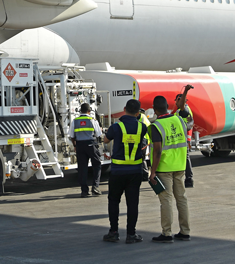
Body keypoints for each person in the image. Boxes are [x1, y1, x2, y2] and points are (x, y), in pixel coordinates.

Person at [101, 99, 149, 244]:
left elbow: (106, 140)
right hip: (135, 171)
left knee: (114, 201)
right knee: (132, 203)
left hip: (117, 171)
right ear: (138, 112)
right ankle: (131, 234)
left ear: (124, 108)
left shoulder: (116, 127)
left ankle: (114, 232)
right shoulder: (142, 128)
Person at [148, 95, 190, 243]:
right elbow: (189, 121)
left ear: (154, 109)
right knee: (181, 198)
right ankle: (185, 231)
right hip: (180, 165)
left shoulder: (155, 126)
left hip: (164, 167)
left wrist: (152, 172)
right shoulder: (179, 120)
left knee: (166, 200)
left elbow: (157, 151)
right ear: (167, 106)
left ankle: (167, 233)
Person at [71, 103, 102, 197]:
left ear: (80, 111)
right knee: (97, 165)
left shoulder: (75, 121)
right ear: (89, 111)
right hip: (91, 144)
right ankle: (95, 187)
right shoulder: (92, 120)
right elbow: (99, 134)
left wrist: (75, 145)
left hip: (80, 145)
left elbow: (72, 136)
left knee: (82, 168)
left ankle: (84, 191)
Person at [175, 93, 195, 188]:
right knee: (185, 159)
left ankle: (188, 179)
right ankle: (188, 178)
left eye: (177, 100)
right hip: (183, 138)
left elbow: (188, 125)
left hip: (182, 138)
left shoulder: (184, 109)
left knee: (185, 159)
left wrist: (186, 90)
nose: (175, 102)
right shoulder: (181, 110)